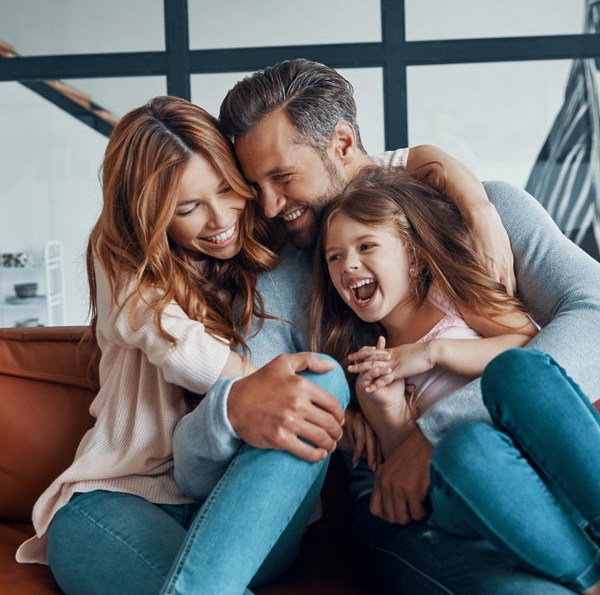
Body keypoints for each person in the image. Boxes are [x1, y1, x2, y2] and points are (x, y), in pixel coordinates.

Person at [210, 58, 600, 594]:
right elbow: (263, 403)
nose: (271, 206)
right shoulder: (276, 286)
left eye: (283, 176)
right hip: (410, 513)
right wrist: (369, 423)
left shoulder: (483, 214)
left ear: (342, 143)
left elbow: (594, 315)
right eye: (257, 186)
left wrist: (436, 430)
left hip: (527, 467)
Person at [15, 95, 349, 595]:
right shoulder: (125, 261)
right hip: (120, 499)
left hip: (246, 511)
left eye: (227, 188)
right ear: (150, 217)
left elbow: (352, 170)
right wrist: (247, 393)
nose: (219, 220)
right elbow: (181, 349)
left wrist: (437, 164)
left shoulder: (272, 236)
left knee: (320, 376)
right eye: (188, 208)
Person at [310, 165, 600, 594]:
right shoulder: (369, 359)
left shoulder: (452, 297)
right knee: (464, 449)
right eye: (335, 257)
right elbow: (407, 477)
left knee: (515, 371)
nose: (349, 265)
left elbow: (527, 343)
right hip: (464, 491)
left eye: (366, 246)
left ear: (412, 255)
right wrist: (389, 408)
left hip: (530, 460)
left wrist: (433, 351)